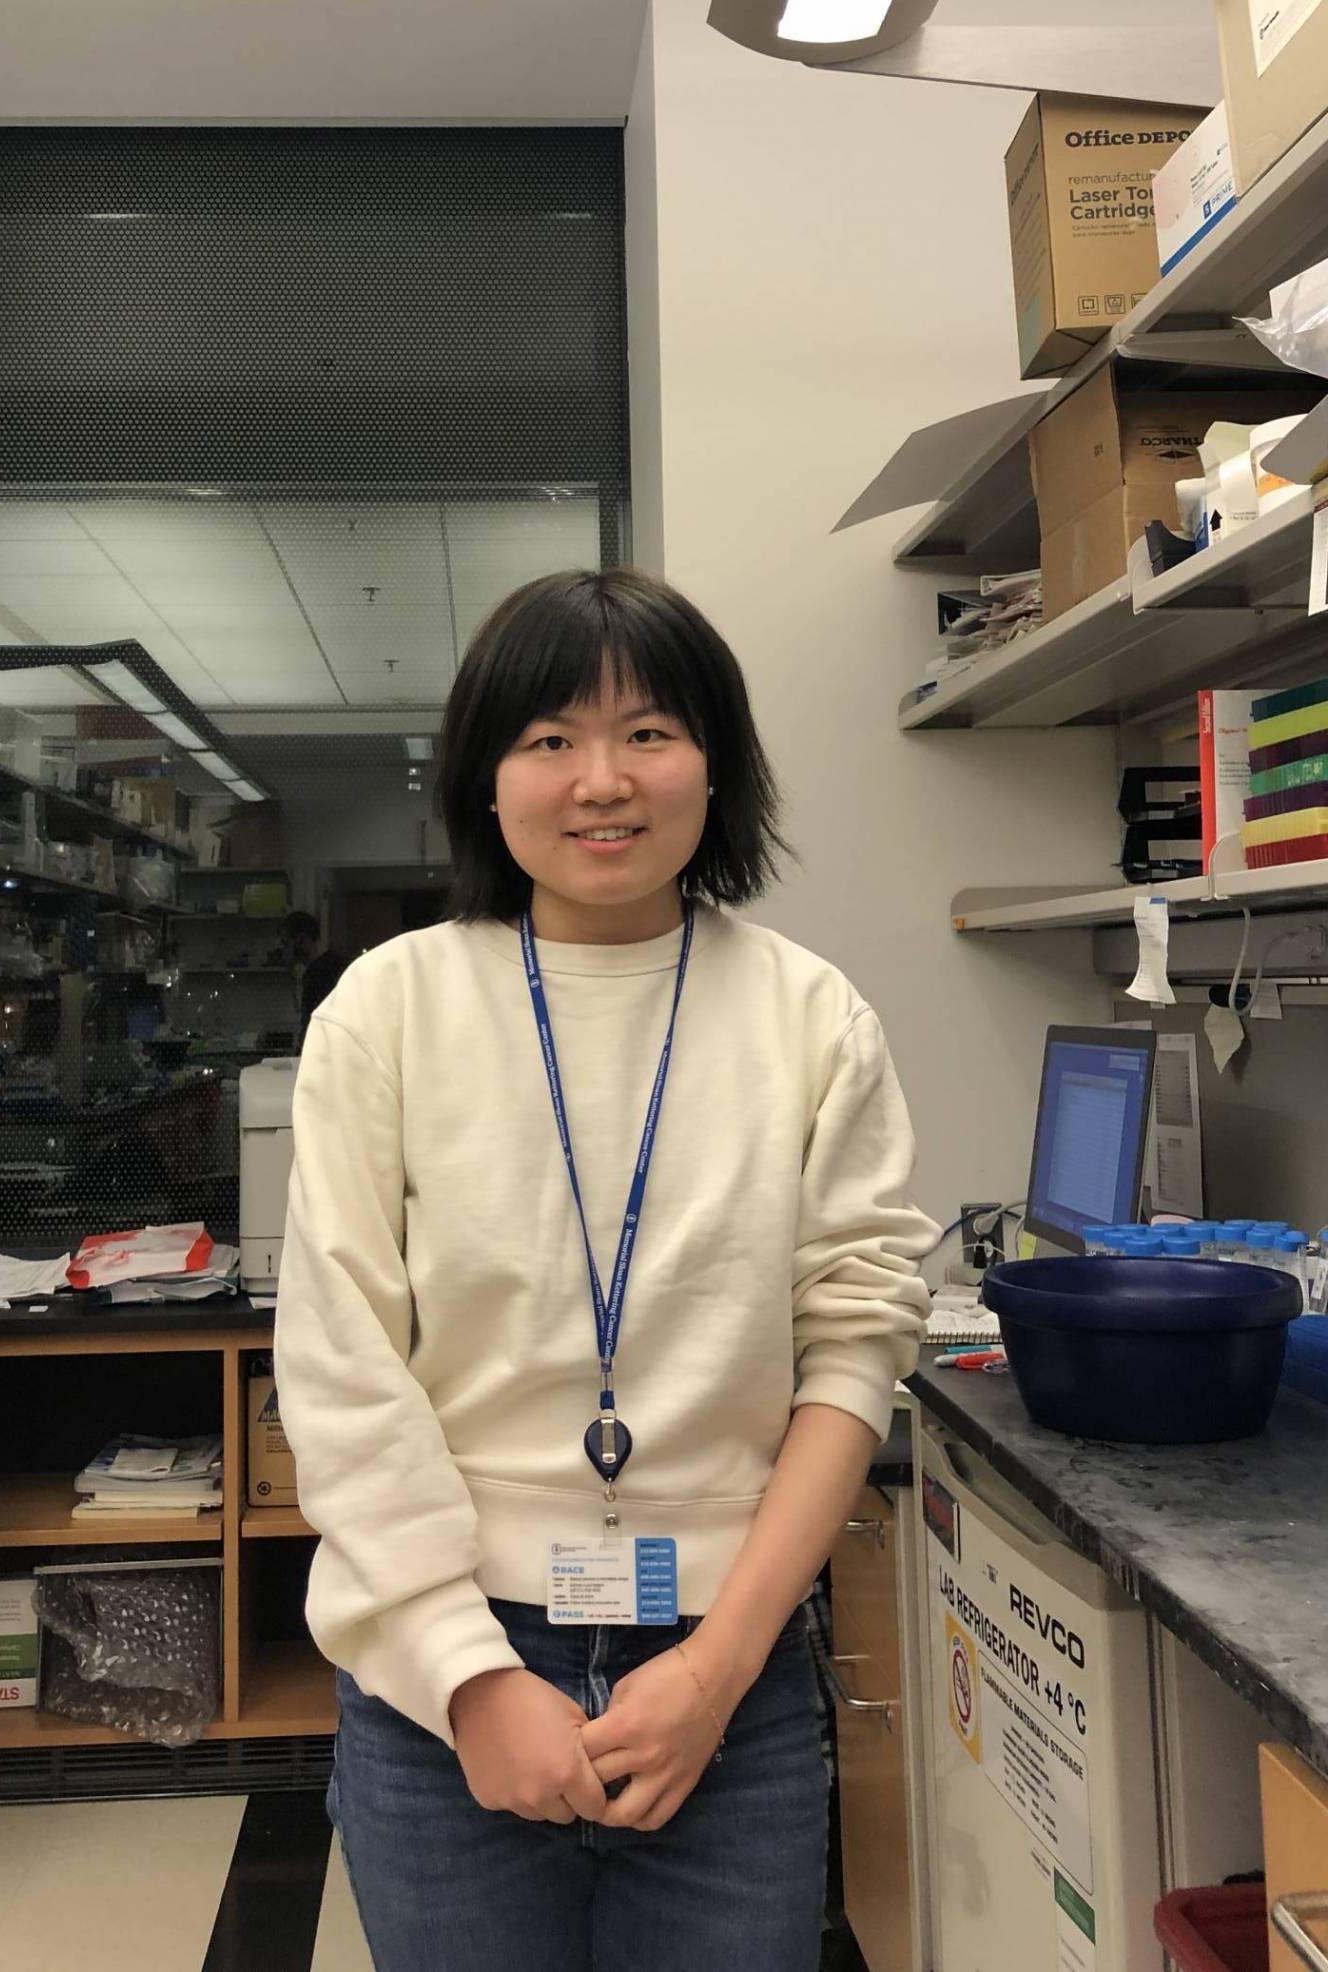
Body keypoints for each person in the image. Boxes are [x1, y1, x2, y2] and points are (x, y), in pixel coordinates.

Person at [274, 567, 938, 1972]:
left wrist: (717, 1666)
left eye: (648, 731)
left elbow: (858, 1346)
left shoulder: (811, 1017)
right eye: (548, 739)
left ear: (716, 764)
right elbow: (342, 1368)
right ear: (486, 776)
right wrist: (468, 1677)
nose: (602, 781)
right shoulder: (388, 1014)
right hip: (440, 1673)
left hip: (729, 1667)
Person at [280, 910, 346, 1049]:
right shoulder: (339, 964)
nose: (284, 951)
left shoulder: (317, 973)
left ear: (301, 940)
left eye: (286, 944)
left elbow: (313, 1022)